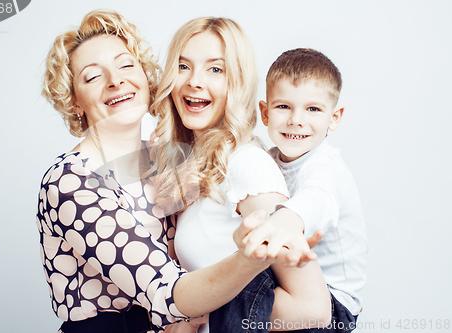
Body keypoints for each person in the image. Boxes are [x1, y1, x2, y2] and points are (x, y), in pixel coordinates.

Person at [37, 9, 296, 333]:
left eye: (126, 65)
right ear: (74, 100)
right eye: (92, 76)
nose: (115, 81)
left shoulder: (168, 162)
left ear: (147, 77)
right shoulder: (70, 182)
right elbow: (163, 292)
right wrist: (249, 260)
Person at [149, 17, 331, 333]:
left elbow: (312, 309)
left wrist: (197, 310)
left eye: (215, 69)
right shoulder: (194, 163)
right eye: (183, 66)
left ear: (237, 81)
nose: (194, 81)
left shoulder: (248, 165)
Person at [255, 48, 369, 332]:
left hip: (333, 304)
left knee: (238, 295)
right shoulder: (266, 160)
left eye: (313, 109)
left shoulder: (326, 167)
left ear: (335, 117)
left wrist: (286, 220)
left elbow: (318, 197)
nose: (296, 119)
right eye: (283, 107)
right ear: (265, 113)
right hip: (293, 284)